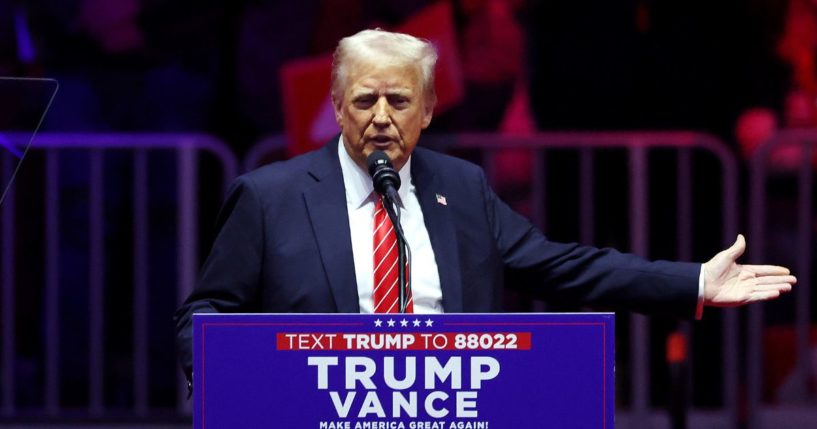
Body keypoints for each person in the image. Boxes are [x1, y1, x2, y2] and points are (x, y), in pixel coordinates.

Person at [174, 29, 797, 381]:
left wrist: (690, 280)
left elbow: (563, 266)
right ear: (338, 110)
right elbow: (203, 316)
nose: (382, 119)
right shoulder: (270, 196)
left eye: (400, 100)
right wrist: (242, 386)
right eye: (365, 102)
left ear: (428, 109)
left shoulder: (462, 188)